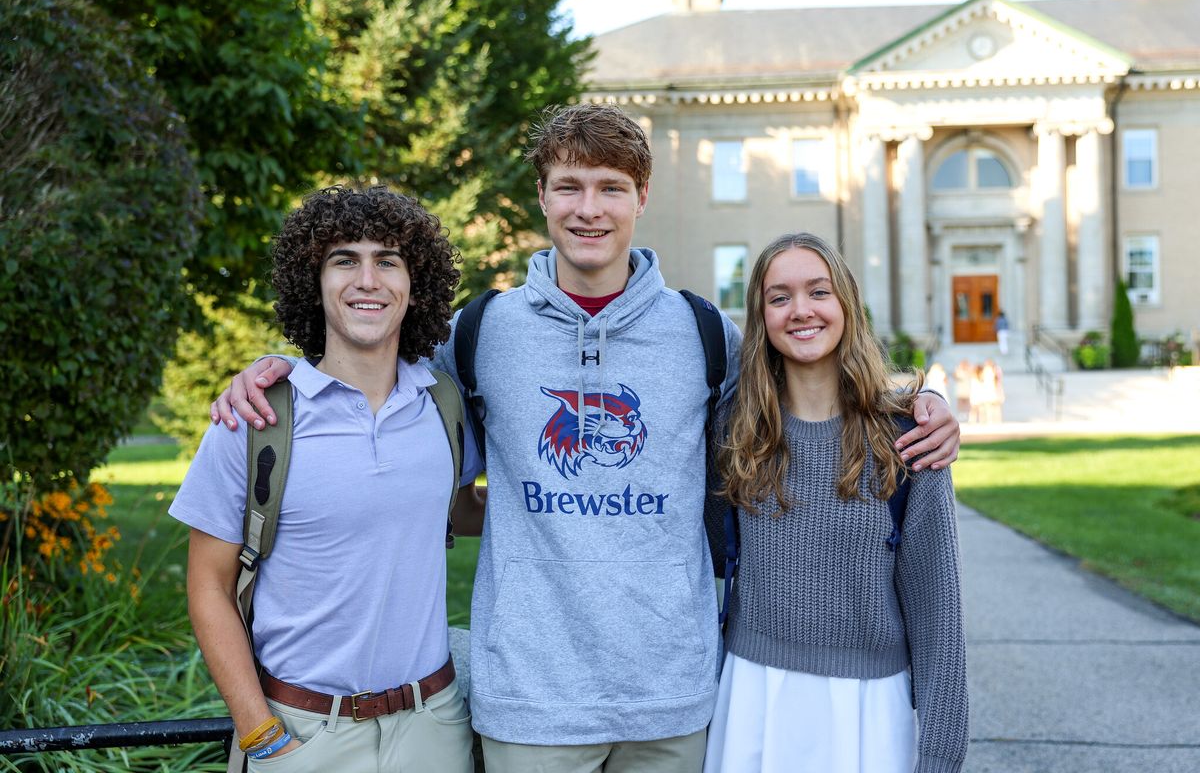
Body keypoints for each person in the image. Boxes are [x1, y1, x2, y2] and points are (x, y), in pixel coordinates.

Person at [212, 104, 962, 772]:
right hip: (532, 704)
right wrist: (278, 368)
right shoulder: (482, 332)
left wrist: (924, 399)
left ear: (642, 198)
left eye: (610, 187)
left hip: (672, 698)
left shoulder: (703, 333)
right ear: (541, 198)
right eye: (569, 186)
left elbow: (800, 398)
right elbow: (369, 377)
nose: (589, 209)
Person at [171, 186, 476, 772]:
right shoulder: (254, 419)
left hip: (435, 727)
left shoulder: (442, 405)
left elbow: (461, 509)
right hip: (303, 734)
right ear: (314, 282)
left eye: (388, 260)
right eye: (344, 260)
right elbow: (208, 585)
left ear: (415, 286)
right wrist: (260, 734)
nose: (368, 279)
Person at [704, 233, 967, 773]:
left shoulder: (907, 438)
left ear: (846, 302)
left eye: (818, 291)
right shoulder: (734, 433)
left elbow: (937, 609)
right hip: (754, 692)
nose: (800, 310)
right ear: (761, 317)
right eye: (779, 297)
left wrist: (942, 750)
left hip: (867, 707)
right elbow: (701, 552)